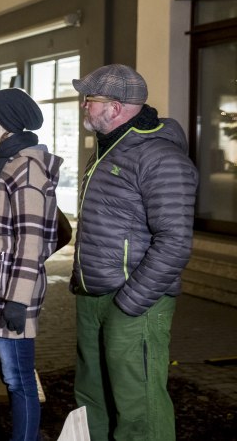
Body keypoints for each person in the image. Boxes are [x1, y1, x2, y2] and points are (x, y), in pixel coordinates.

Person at [70, 64, 198, 440]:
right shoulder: (108, 152)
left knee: (139, 407)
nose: (84, 107)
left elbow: (175, 241)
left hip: (134, 302)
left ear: (115, 107)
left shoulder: (160, 157)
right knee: (91, 398)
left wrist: (130, 302)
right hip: (93, 296)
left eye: (89, 100)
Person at [0, 88, 63, 441]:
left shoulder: (26, 169)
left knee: (20, 381)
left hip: (11, 295)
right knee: (11, 378)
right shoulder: (4, 160)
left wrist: (19, 300)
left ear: (5, 122)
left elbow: (32, 240)